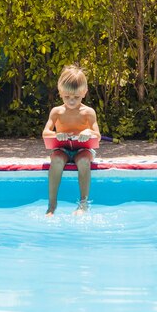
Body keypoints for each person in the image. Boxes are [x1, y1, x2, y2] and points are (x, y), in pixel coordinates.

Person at [42, 65, 101, 216]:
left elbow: (97, 135)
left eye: (76, 97)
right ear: (60, 92)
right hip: (62, 149)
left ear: (84, 92)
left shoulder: (88, 112)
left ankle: (83, 203)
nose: (72, 101)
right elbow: (45, 133)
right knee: (56, 161)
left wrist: (88, 131)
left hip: (83, 150)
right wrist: (56, 135)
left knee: (83, 162)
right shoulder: (57, 112)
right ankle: (52, 205)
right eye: (67, 97)